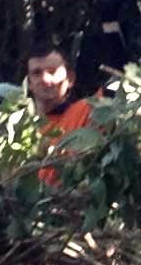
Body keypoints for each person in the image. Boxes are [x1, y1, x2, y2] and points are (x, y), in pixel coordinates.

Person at [24, 47, 96, 188]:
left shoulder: (85, 109)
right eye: (37, 73)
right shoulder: (20, 129)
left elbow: (117, 85)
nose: (45, 79)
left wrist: (108, 25)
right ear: (28, 83)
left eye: (52, 72)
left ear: (70, 79)